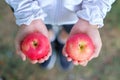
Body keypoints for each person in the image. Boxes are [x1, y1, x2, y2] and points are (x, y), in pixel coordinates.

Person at [5, 0, 115, 70]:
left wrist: (90, 20)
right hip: (34, 11)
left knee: (72, 33)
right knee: (43, 31)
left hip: (79, 14)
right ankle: (49, 39)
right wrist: (28, 14)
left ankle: (64, 40)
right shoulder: (31, 17)